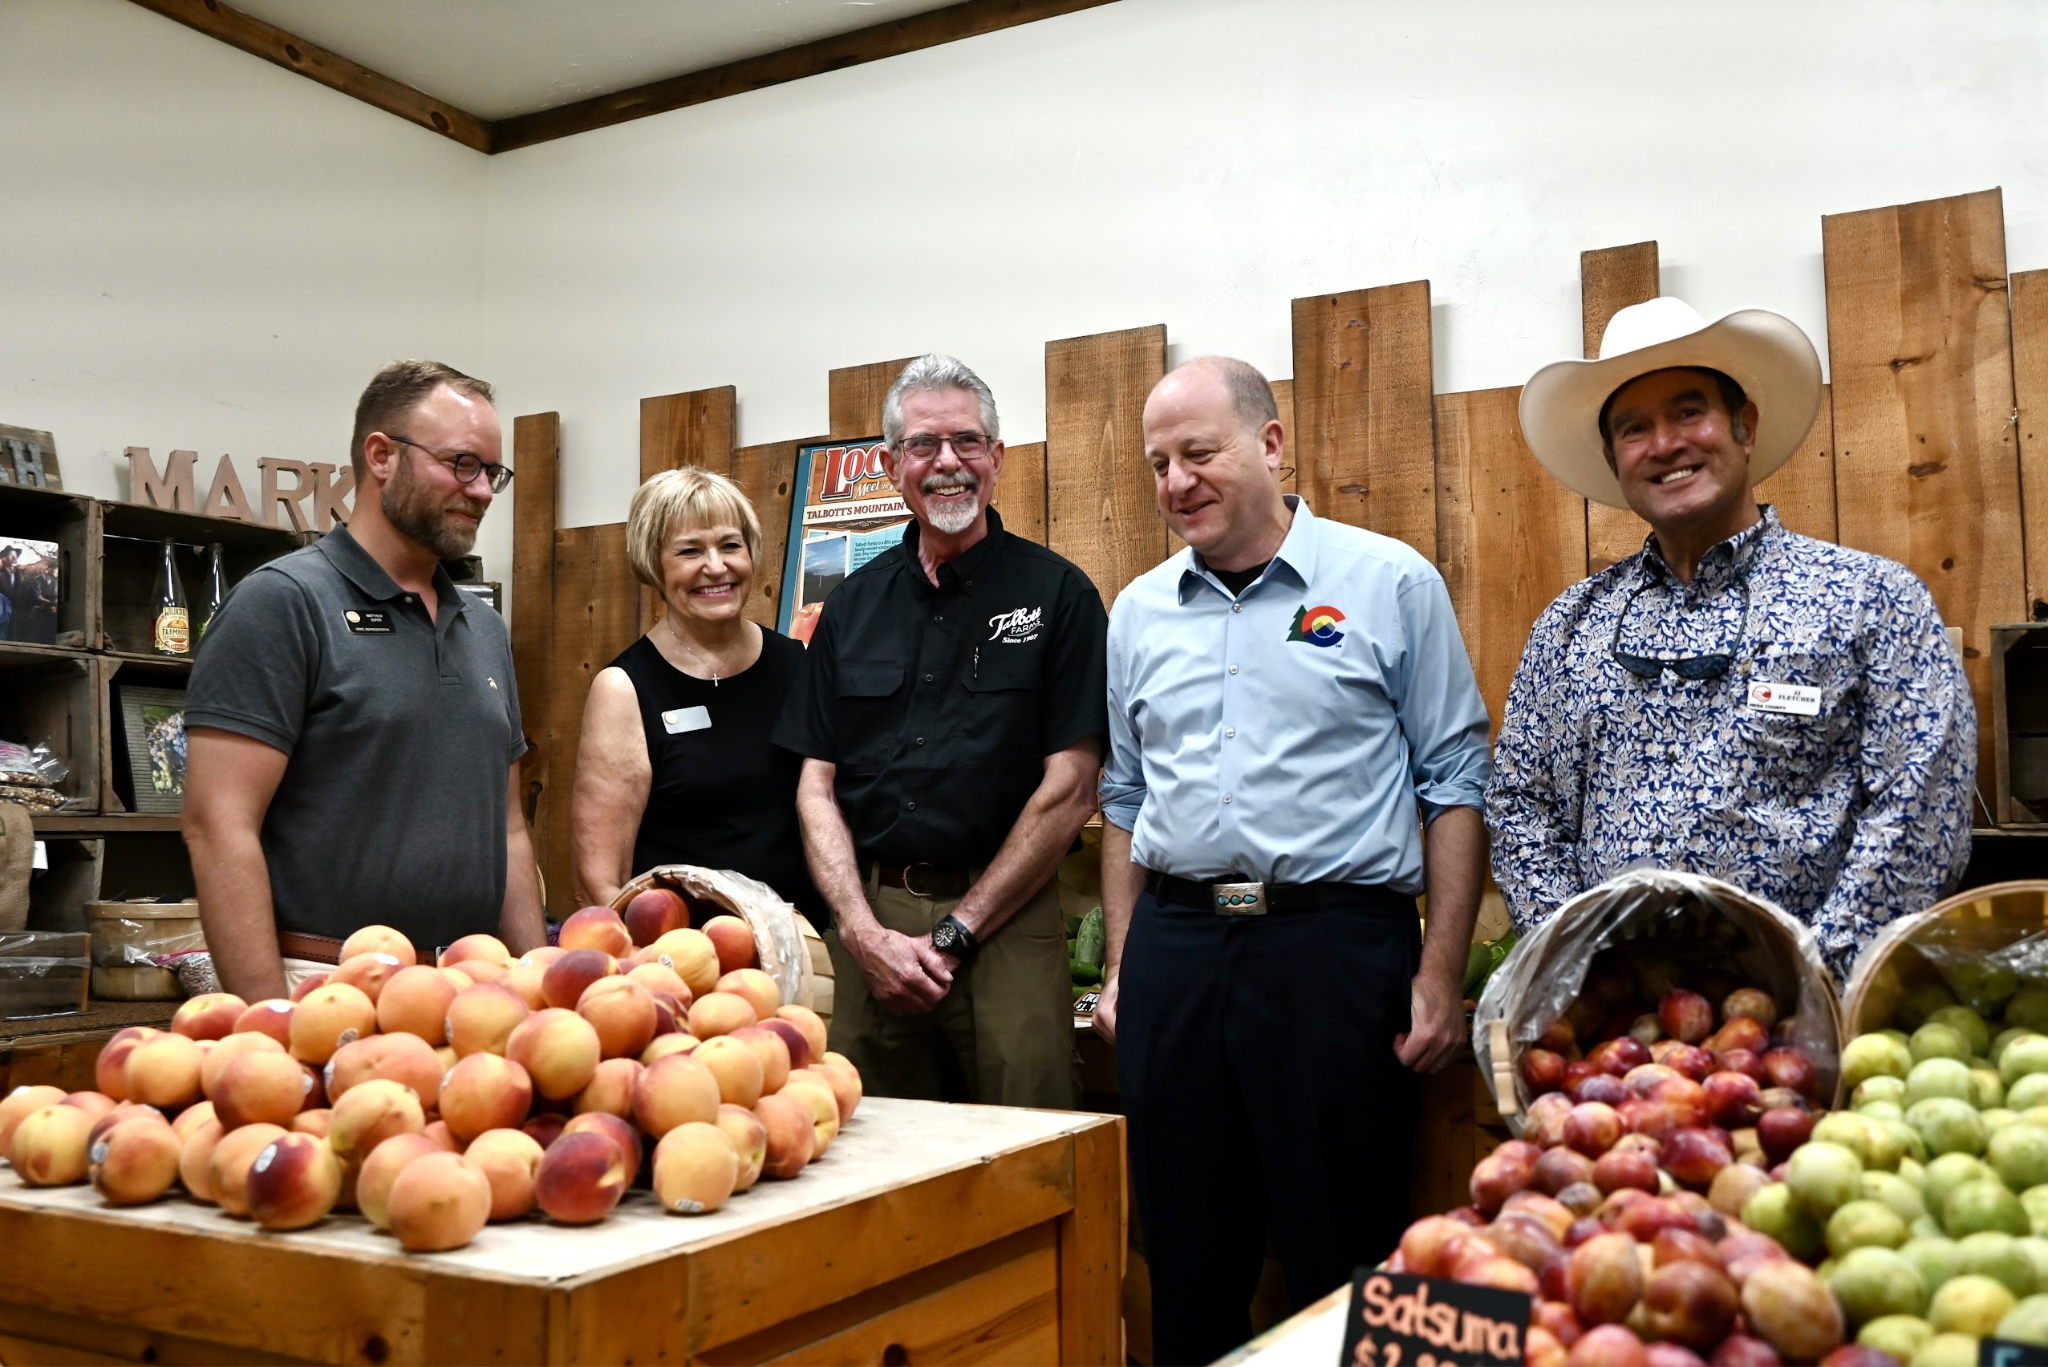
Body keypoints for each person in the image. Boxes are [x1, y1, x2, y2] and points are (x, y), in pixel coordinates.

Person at [1097, 356, 1492, 1367]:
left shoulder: (1388, 582)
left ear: (1270, 444)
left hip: (1333, 952)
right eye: (1157, 463)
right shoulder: (1137, 610)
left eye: (1198, 453)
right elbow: (1124, 799)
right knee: (1184, 1258)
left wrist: (1439, 970)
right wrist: (1123, 967)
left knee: (1347, 1251)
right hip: (1177, 951)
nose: (1176, 481)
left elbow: (1454, 780)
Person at [1488, 297, 1976, 976]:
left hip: (1817, 1012)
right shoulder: (1569, 627)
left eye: (1689, 412)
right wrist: (1586, 970)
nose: (1665, 444)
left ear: (1744, 425)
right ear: (1612, 457)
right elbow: (1521, 808)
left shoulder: (1871, 601)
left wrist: (1811, 983)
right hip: (1619, 1019)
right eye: (1634, 428)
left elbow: (1920, 810)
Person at [774, 353, 1108, 1108]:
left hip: (1009, 914)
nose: (947, 462)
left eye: (967, 441)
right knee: (862, 1134)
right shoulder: (850, 607)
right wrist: (860, 932)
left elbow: (1072, 786)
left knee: (1031, 1128)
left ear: (998, 457)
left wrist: (960, 930)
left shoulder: (1059, 595)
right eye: (923, 444)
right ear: (892, 464)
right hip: (872, 919)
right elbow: (815, 785)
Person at [184, 360, 546, 999]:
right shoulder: (283, 603)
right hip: (328, 988)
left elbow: (509, 829)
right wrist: (267, 1022)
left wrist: (535, 985)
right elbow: (219, 824)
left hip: (473, 989)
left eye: (492, 472)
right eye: (463, 464)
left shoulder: (484, 628)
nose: (483, 491)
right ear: (382, 456)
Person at [570, 466, 823, 923]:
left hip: (802, 946)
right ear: (654, 564)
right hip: (686, 952)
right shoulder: (624, 689)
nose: (716, 566)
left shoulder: (798, 664)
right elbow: (600, 881)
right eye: (690, 551)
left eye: (730, 545)